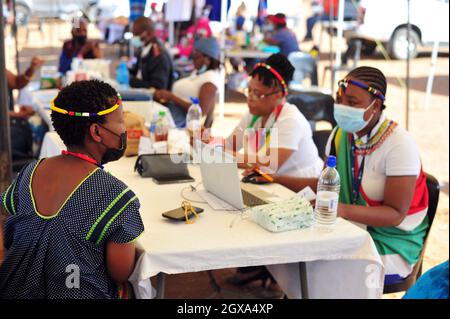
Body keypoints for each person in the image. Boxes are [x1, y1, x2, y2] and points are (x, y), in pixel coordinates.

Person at [248, 66, 429, 283]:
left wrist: (339, 209)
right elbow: (325, 184)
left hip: (389, 244)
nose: (342, 107)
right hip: (347, 229)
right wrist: (275, 178)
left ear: (376, 106)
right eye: (339, 99)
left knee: (315, 268)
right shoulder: (342, 134)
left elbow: (396, 214)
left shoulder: (399, 145)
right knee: (288, 253)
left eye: (352, 103)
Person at [0, 80, 145, 298]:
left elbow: (7, 219)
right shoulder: (117, 198)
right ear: (97, 132)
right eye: (121, 121)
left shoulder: (30, 172)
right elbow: (120, 273)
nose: (124, 129)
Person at [224, 53, 323, 178]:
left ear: (279, 94)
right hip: (273, 186)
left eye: (258, 94)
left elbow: (269, 165)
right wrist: (208, 143)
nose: (250, 98)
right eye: (249, 91)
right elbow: (229, 145)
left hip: (302, 189)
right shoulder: (254, 114)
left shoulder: (290, 120)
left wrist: (222, 154)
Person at [154, 37, 221, 128]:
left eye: (196, 57)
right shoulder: (198, 73)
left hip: (180, 122)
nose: (193, 60)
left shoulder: (210, 78)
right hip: (172, 115)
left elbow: (201, 111)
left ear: (208, 59)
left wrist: (172, 97)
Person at [129, 16, 174, 91]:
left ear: (149, 33)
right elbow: (137, 71)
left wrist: (134, 82)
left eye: (136, 34)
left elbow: (158, 86)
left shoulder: (158, 55)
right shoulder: (143, 50)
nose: (134, 37)